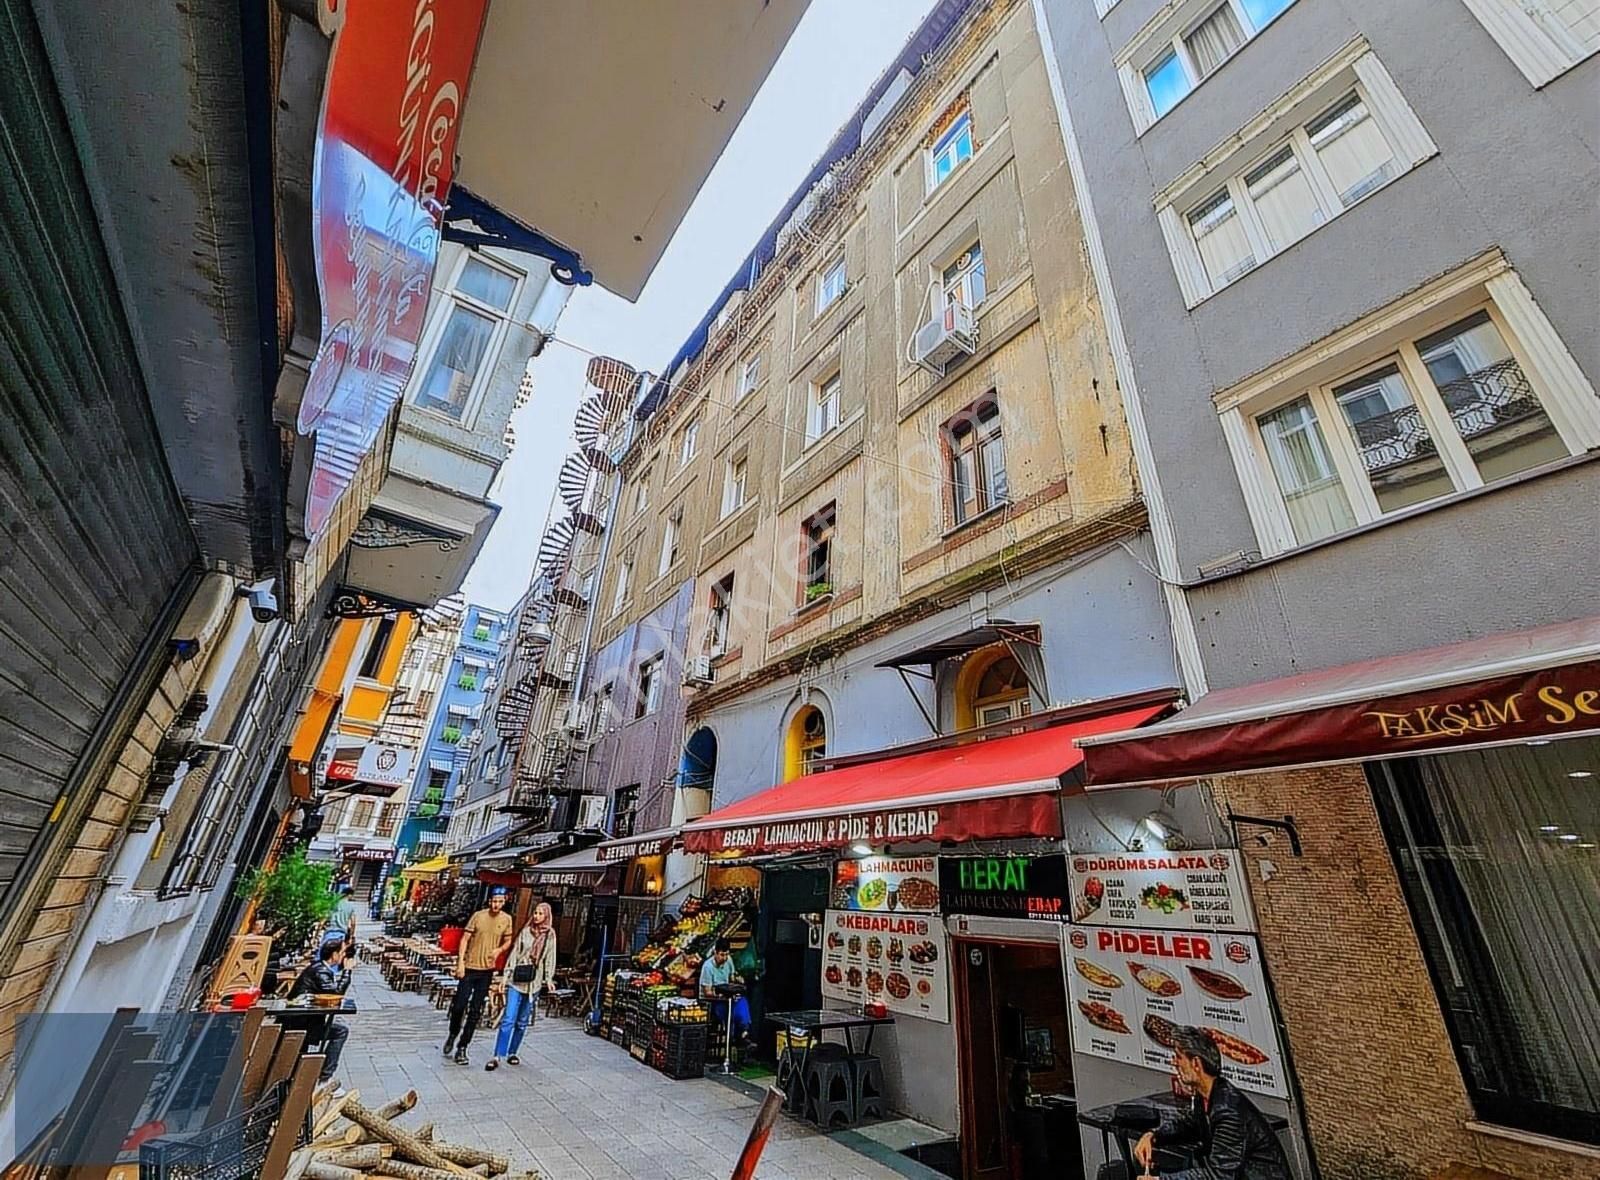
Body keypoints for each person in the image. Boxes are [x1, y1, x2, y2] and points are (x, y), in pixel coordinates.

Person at [1134, 1026, 1293, 1180]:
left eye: (1178, 1057)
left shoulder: (1229, 1112)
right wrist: (1154, 1135)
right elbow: (1191, 1124)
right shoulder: (1207, 1095)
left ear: (1196, 1064)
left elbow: (1218, 1176)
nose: (1174, 1062)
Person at [443, 888, 514, 1065]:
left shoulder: (507, 919)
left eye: (500, 901)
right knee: (459, 1005)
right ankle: (453, 1032)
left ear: (504, 901)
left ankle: (462, 1046)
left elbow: (508, 940)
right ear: (489, 901)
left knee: (475, 1010)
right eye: (494, 901)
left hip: (487, 970)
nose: (496, 904)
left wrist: (500, 950)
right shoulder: (478, 916)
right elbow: (465, 939)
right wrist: (460, 963)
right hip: (469, 967)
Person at [486, 902, 557, 1071]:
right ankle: (497, 1054)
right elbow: (514, 954)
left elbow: (550, 958)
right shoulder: (526, 931)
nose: (536, 916)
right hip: (516, 981)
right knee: (508, 1018)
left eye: (540, 913)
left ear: (546, 916)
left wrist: (549, 978)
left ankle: (512, 1052)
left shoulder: (550, 936)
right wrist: (505, 977)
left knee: (522, 1021)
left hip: (534, 983)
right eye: (535, 912)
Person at [288, 938, 351, 1095]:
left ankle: (323, 1076)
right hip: (301, 1023)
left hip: (304, 1020)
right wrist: (347, 971)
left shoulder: (320, 968)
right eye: (342, 953)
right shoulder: (321, 970)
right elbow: (335, 993)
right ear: (334, 955)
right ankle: (324, 1079)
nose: (344, 956)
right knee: (340, 1032)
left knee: (338, 1030)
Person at [699, 939, 752, 1051]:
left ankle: (744, 1031)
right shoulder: (707, 967)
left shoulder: (728, 961)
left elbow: (731, 979)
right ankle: (734, 1036)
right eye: (722, 955)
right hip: (713, 1001)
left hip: (728, 996)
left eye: (726, 954)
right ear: (715, 953)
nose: (724, 958)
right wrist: (720, 996)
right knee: (726, 1010)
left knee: (742, 1001)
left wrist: (738, 980)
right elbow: (707, 992)